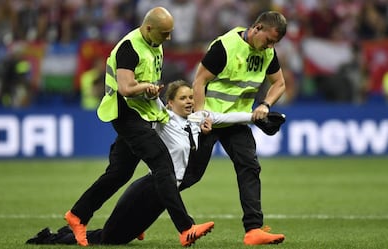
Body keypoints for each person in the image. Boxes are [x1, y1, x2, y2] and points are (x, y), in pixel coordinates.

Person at [27, 80, 285, 245]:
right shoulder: (163, 120)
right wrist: (149, 90)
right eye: (182, 98)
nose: (189, 102)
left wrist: (257, 116)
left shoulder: (199, 119)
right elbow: (150, 103)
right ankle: (52, 239)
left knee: (115, 237)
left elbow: (229, 118)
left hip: (164, 195)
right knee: (110, 239)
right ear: (170, 103)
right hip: (150, 189)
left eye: (190, 98)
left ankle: (63, 235)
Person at [64, 7, 214, 247]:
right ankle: (186, 228)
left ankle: (77, 215)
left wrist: (151, 90)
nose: (169, 38)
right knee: (162, 164)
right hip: (126, 113)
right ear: (148, 28)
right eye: (165, 33)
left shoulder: (155, 43)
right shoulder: (128, 48)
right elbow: (125, 88)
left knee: (119, 172)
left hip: (142, 112)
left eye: (170, 33)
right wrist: (145, 87)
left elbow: (145, 81)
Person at [180, 11, 288, 245]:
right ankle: (140, 214)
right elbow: (199, 82)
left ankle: (253, 230)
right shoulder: (225, 47)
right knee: (188, 175)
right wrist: (199, 117)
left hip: (236, 121)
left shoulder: (267, 52)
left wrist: (266, 104)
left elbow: (280, 83)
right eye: (269, 40)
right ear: (257, 28)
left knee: (249, 166)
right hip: (209, 119)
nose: (270, 46)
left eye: (274, 43)